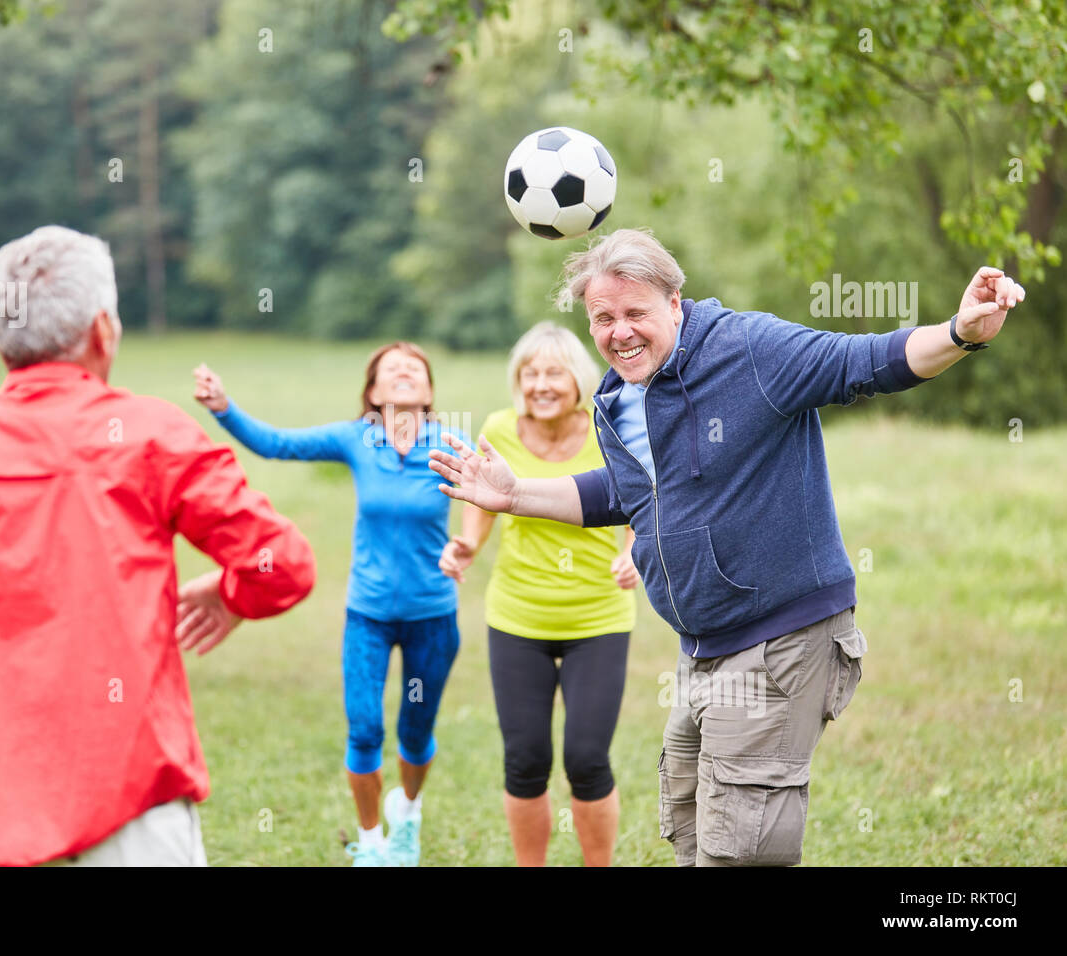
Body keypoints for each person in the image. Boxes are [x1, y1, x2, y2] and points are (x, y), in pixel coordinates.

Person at [430, 227, 1025, 867]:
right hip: (704, 648)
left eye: (635, 313)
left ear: (675, 302)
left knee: (740, 848)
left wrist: (960, 332)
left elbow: (865, 360)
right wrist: (516, 494)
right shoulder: (621, 394)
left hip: (781, 635)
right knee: (693, 831)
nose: (618, 332)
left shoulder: (748, 349)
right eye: (603, 318)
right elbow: (630, 493)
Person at [0, 225, 315, 867]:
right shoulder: (153, 434)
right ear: (103, 331)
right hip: (131, 807)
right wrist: (233, 594)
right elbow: (282, 564)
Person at [193, 343, 467, 866]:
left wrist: (466, 543)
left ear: (429, 392)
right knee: (364, 728)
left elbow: (487, 498)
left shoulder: (451, 442)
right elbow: (276, 444)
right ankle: (370, 844)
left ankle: (407, 813)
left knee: (416, 731)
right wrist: (224, 407)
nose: (405, 372)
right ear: (373, 393)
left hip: (433, 615)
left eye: (416, 368)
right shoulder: (356, 439)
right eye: (392, 368)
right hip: (368, 615)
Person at [438, 322, 639, 866]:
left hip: (597, 619)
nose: (540, 384)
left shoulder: (610, 427)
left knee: (586, 757)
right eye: (529, 373)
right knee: (524, 759)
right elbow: (482, 501)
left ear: (577, 378)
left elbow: (643, 497)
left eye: (553, 372)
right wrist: (467, 544)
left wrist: (634, 553)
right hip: (517, 618)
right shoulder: (499, 430)